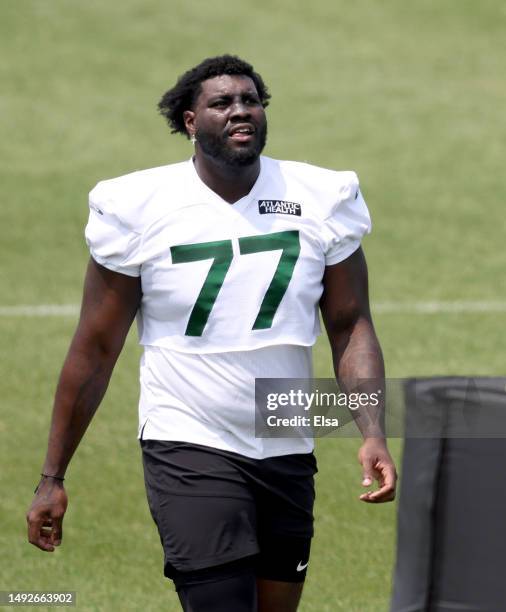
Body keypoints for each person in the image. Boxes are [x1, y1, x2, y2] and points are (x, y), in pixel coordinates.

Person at [26, 54, 397, 612]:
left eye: (250, 100)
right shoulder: (137, 207)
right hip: (187, 436)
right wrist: (52, 476)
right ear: (189, 121)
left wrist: (372, 432)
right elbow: (96, 349)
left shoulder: (322, 197)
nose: (240, 110)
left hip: (285, 434)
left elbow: (350, 325)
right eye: (221, 103)